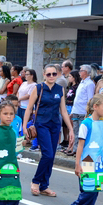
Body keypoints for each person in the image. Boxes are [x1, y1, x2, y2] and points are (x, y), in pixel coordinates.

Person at [23, 64, 75, 196]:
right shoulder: (38, 88)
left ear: (57, 74)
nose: (51, 76)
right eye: (48, 74)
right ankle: (36, 181)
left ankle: (44, 186)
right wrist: (24, 126)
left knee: (51, 157)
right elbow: (29, 108)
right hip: (41, 124)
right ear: (44, 75)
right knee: (48, 154)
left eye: (54, 74)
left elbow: (63, 111)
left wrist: (71, 130)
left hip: (55, 125)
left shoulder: (60, 89)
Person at [67, 95, 103, 205]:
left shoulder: (102, 124)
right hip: (87, 162)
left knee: (96, 190)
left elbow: (102, 146)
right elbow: (80, 145)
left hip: (98, 162)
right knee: (88, 190)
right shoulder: (86, 124)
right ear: (95, 107)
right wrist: (77, 164)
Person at [71, 65, 95, 143]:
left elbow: (90, 99)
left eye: (81, 71)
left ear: (86, 72)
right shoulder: (82, 82)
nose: (79, 72)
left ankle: (81, 148)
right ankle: (75, 148)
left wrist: (88, 113)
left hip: (83, 112)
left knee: (82, 133)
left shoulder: (89, 84)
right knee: (76, 132)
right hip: (76, 110)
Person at [61, 70, 80, 152]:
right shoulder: (70, 86)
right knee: (68, 127)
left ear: (74, 77)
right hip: (67, 106)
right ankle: (69, 145)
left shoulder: (77, 87)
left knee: (72, 127)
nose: (68, 78)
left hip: (72, 106)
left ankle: (71, 146)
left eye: (70, 76)